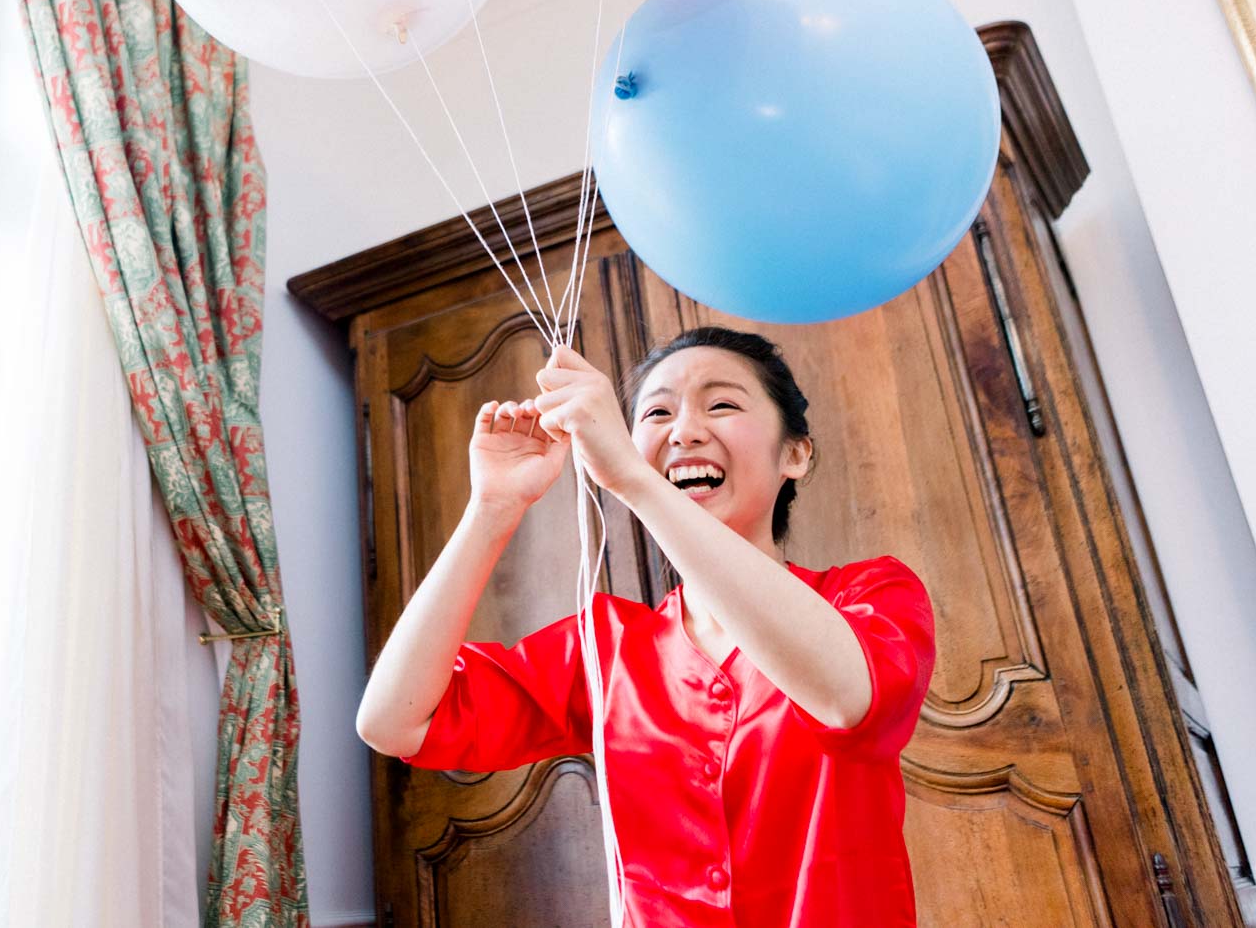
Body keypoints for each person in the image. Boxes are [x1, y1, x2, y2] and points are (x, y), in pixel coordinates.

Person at [355, 325, 937, 927]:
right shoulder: (607, 646)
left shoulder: (871, 595)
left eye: (722, 404)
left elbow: (847, 700)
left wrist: (633, 479)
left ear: (795, 453)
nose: (684, 431)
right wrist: (492, 507)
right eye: (656, 412)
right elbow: (394, 721)